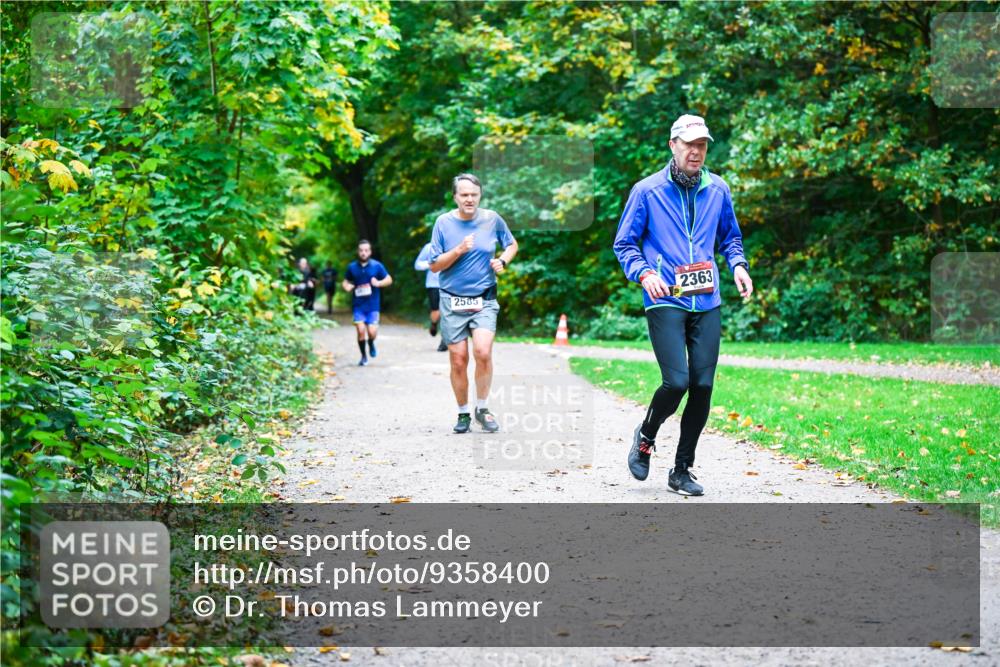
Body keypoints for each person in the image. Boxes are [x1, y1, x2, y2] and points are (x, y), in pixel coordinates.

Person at [612, 114, 754, 496]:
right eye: (689, 144)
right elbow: (624, 244)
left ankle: (681, 470)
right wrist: (644, 273)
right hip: (665, 297)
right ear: (673, 145)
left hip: (706, 299)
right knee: (677, 381)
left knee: (703, 385)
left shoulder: (718, 189)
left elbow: (731, 238)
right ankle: (645, 436)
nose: (696, 151)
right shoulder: (647, 191)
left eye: (702, 145)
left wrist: (738, 265)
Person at [430, 173, 518, 434]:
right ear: (455, 197)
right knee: (458, 359)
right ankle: (463, 413)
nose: (469, 199)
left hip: (484, 297)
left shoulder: (492, 220)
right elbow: (434, 266)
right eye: (464, 195)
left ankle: (482, 407)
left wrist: (502, 261)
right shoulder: (443, 223)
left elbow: (512, 245)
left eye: (474, 194)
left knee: (482, 351)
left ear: (480, 195)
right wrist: (458, 250)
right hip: (451, 298)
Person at [342, 240, 392, 366]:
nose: (363, 253)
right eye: (361, 250)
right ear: (358, 252)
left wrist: (379, 283)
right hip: (358, 305)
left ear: (370, 252)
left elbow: (389, 279)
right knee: (360, 330)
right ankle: (363, 356)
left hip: (373, 305)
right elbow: (345, 281)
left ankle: (370, 343)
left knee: (372, 332)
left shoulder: (377, 266)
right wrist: (347, 286)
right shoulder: (352, 267)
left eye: (366, 250)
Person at [414, 241, 447, 352]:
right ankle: (433, 323)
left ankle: (444, 341)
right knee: (436, 311)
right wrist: (431, 264)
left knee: (446, 312)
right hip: (433, 285)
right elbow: (417, 264)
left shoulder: (454, 245)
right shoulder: (429, 247)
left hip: (449, 284)